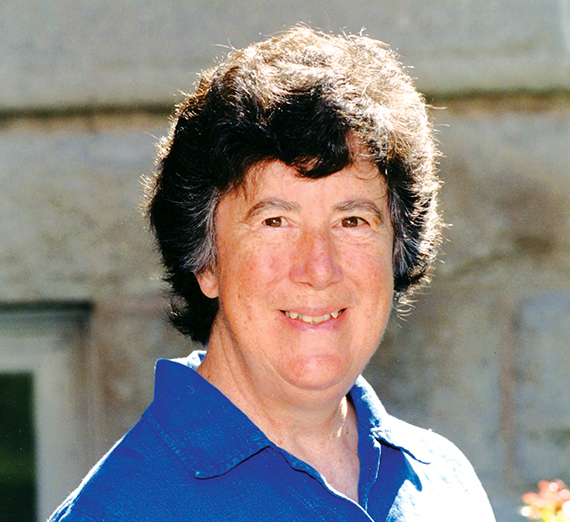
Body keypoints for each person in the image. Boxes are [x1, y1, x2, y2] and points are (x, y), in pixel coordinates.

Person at [50, 25, 496, 521]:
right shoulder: (120, 510)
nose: (318, 269)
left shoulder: (444, 484)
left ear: (398, 251)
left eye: (353, 221)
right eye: (275, 221)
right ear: (206, 262)